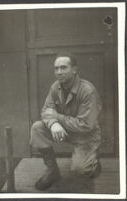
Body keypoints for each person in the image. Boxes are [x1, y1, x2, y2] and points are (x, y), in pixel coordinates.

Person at [30, 53, 102, 191]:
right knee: (37, 128)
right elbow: (46, 110)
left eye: (63, 68)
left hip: (85, 136)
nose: (59, 72)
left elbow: (86, 125)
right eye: (56, 68)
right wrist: (53, 124)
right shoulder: (55, 87)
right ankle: (53, 172)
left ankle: (93, 163)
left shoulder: (88, 91)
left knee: (81, 169)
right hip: (64, 130)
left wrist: (58, 118)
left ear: (74, 69)